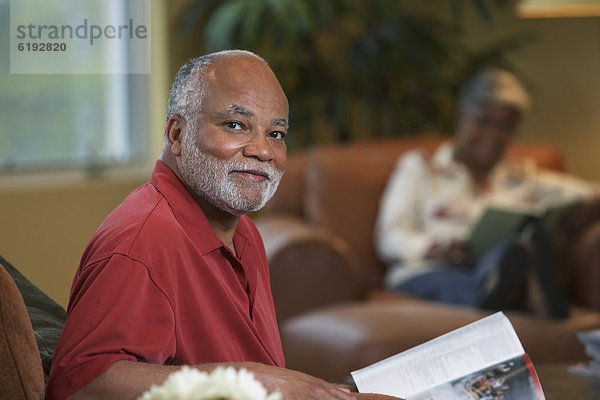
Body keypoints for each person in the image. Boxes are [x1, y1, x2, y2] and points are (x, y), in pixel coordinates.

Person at [47, 51, 397, 400]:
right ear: (177, 134)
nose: (263, 151)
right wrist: (253, 379)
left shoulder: (244, 234)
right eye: (235, 125)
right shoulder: (143, 243)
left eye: (276, 133)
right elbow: (81, 387)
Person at [374, 69, 593, 318]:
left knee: (519, 245)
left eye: (505, 126)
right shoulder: (420, 168)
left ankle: (508, 281)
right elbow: (389, 235)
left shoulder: (522, 177)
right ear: (462, 116)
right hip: (429, 271)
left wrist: (586, 208)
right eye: (484, 121)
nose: (493, 135)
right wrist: (432, 248)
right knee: (461, 282)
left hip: (489, 263)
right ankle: (509, 293)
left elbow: (586, 191)